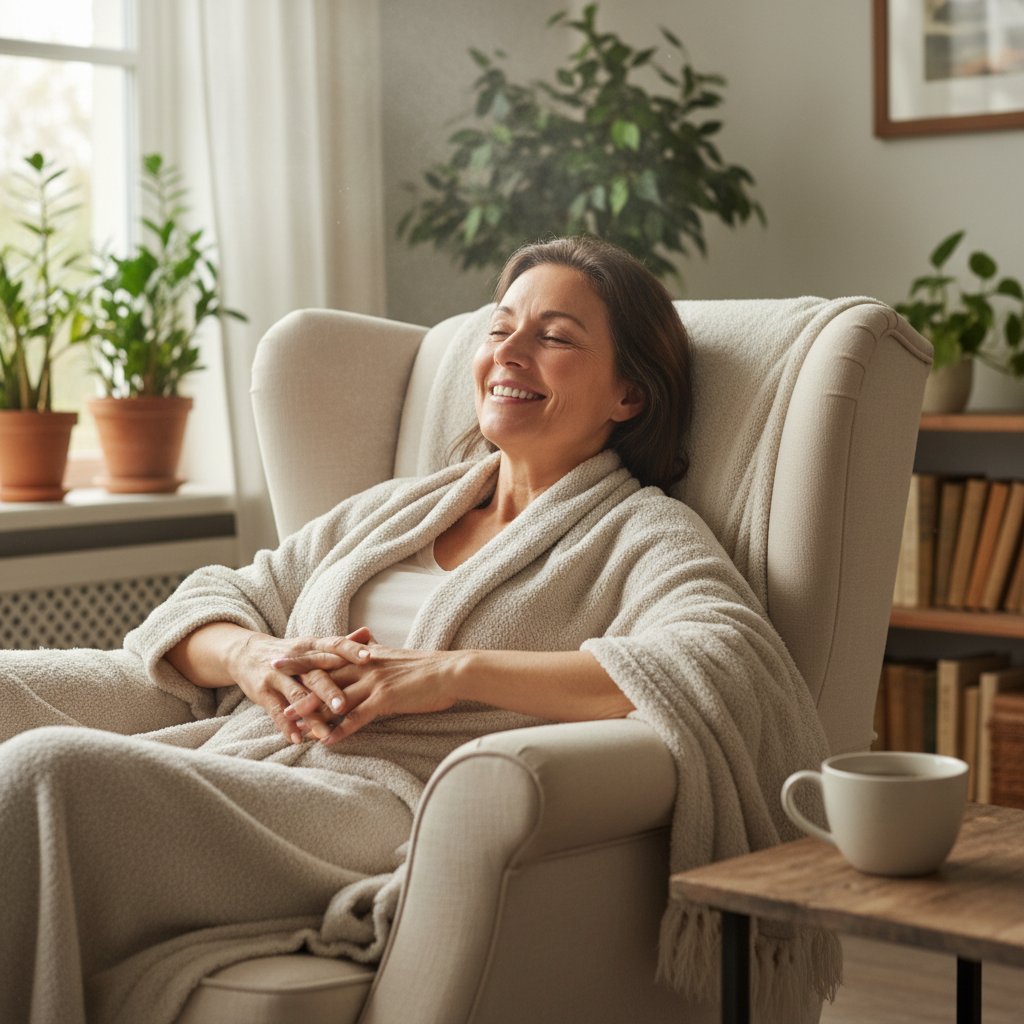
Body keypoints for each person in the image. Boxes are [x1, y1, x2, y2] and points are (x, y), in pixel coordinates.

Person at [0, 236, 830, 1024]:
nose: (509, 352)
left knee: (48, 771)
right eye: (500, 329)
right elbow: (217, 597)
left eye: (554, 337)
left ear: (629, 394)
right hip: (246, 756)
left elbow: (723, 659)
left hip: (377, 807)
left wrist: (449, 672)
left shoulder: (638, 532)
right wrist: (254, 655)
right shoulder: (401, 508)